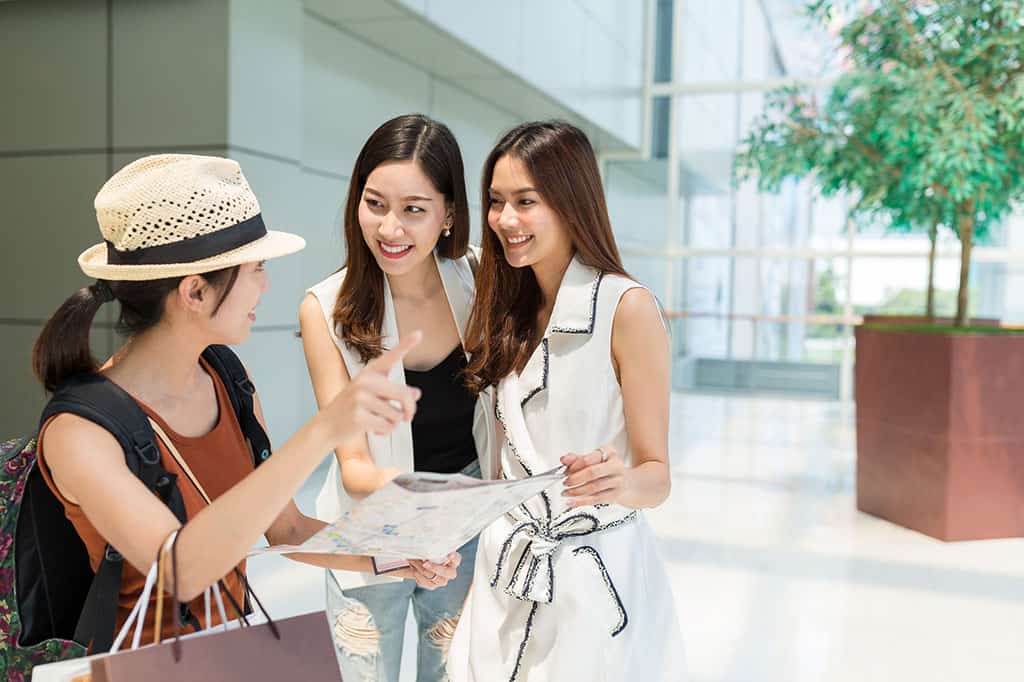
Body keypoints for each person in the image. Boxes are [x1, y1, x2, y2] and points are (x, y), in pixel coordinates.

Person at [32, 153, 457, 648]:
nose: (266, 284)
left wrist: (399, 556)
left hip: (230, 654)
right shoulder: (79, 431)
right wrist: (324, 431)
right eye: (256, 268)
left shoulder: (227, 379)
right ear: (194, 292)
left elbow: (288, 529)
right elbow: (182, 570)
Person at [447, 122, 686, 681]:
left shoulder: (627, 308)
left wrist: (618, 481)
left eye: (525, 202)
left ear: (570, 202)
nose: (505, 220)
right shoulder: (503, 306)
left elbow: (658, 476)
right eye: (496, 202)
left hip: (595, 576)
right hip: (506, 566)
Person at [300, 115, 494, 681]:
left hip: (465, 530)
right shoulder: (326, 309)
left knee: (452, 673)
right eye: (375, 203)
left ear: (449, 212)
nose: (390, 228)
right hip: (372, 532)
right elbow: (355, 465)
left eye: (414, 208)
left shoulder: (481, 280)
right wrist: (434, 506)